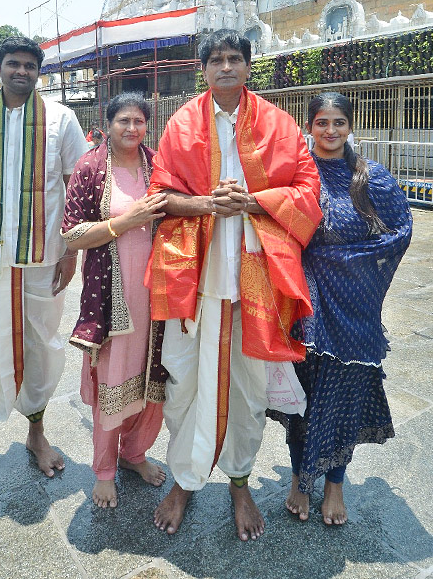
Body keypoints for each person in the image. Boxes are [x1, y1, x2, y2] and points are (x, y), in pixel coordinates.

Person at [146, 28, 322, 540]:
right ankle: (183, 480)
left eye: (234, 59)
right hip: (194, 285)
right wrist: (207, 204)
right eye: (216, 60)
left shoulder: (279, 125)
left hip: (254, 284)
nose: (225, 67)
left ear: (248, 66)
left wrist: (254, 201)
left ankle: (239, 482)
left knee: (247, 393)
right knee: (182, 388)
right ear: (204, 70)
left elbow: (307, 188)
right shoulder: (181, 125)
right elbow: (160, 194)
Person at [0, 36, 88, 493]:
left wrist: (72, 251)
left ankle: (35, 432)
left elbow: (77, 185)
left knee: (42, 346)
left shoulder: (61, 118)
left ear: (38, 72)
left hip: (42, 257)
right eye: (13, 64)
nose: (21, 72)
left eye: (30, 66)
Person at [272, 92, 412, 525]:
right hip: (306, 301)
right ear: (308, 126)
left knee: (343, 395)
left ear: (350, 127)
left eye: (338, 123)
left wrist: (346, 261)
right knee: (305, 394)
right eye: (321, 123)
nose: (330, 131)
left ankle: (334, 485)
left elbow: (400, 232)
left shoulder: (372, 179)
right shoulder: (297, 175)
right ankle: (299, 477)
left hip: (354, 305)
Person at [62, 93, 168, 508]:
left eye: (139, 121)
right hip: (111, 300)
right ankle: (104, 470)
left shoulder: (156, 164)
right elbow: (72, 235)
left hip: (155, 298)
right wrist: (127, 221)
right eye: (124, 120)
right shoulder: (90, 167)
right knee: (112, 381)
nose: (132, 128)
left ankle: (134, 454)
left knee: (152, 380)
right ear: (107, 124)